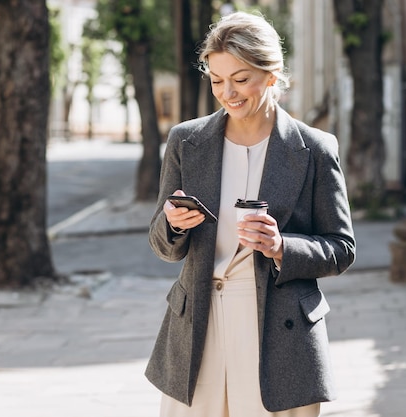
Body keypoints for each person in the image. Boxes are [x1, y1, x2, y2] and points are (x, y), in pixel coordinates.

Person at [145, 10, 356, 417]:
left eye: (241, 79)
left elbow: (341, 248)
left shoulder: (315, 148)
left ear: (271, 75)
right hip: (198, 324)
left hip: (280, 330)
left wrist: (281, 246)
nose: (228, 92)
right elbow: (162, 245)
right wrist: (172, 225)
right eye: (217, 80)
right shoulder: (186, 141)